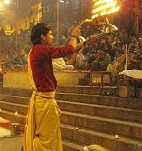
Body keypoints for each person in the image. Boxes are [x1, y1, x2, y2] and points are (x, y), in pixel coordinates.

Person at [24, 22, 94, 151]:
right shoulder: (40, 49)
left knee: (48, 136)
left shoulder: (37, 50)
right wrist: (73, 35)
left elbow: (70, 49)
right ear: (42, 37)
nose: (53, 37)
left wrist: (84, 43)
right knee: (48, 140)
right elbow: (67, 50)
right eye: (50, 34)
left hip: (43, 101)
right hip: (44, 103)